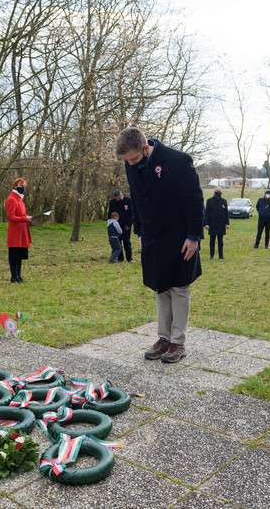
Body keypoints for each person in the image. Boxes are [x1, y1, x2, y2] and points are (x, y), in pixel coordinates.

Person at [117, 126, 203, 364]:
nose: (131, 164)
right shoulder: (131, 164)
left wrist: (193, 236)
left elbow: (195, 201)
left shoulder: (179, 161)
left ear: (146, 148)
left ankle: (178, 342)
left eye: (134, 159)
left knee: (179, 288)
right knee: (161, 287)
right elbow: (136, 198)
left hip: (180, 236)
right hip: (152, 237)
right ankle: (163, 338)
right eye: (127, 161)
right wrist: (139, 230)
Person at [5, 177, 32, 283]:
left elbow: (21, 214)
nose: (23, 188)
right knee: (14, 255)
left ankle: (18, 276)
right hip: (15, 232)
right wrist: (25, 218)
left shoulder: (20, 200)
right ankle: (13, 277)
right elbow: (11, 217)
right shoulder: (11, 199)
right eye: (21, 185)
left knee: (20, 255)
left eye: (25, 186)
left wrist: (28, 218)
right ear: (15, 186)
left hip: (22, 231)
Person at [107, 190, 133, 263]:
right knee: (118, 242)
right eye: (116, 199)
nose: (117, 200)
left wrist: (129, 224)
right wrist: (110, 223)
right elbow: (110, 213)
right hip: (116, 225)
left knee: (126, 242)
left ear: (121, 195)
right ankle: (120, 258)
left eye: (118, 198)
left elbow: (132, 213)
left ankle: (129, 258)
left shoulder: (128, 201)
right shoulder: (112, 202)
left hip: (126, 225)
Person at [204, 186, 229, 259]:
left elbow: (226, 213)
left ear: (221, 192)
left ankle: (221, 255)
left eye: (219, 191)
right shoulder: (209, 201)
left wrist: (227, 223)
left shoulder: (224, 201)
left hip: (221, 224)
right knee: (212, 240)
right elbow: (206, 213)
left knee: (220, 241)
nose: (218, 192)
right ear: (214, 192)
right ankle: (211, 255)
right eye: (217, 191)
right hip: (212, 224)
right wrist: (206, 224)